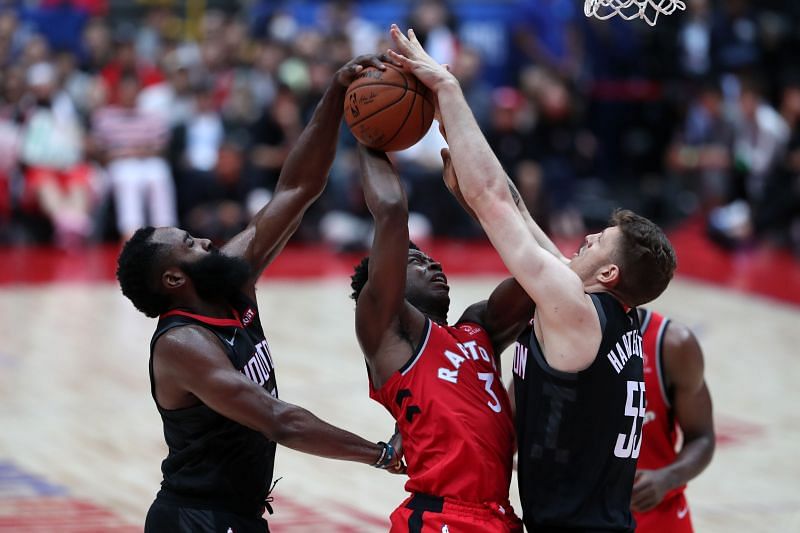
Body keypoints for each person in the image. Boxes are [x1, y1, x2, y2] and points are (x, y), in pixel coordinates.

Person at [388, 25, 677, 532]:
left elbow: (496, 199)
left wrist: (448, 90)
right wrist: (482, 203)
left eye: (598, 241)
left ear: (609, 273)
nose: (585, 239)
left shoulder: (575, 309)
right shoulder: (606, 316)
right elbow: (515, 209)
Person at [115, 55, 403, 533]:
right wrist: (380, 454)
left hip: (236, 515)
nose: (204, 240)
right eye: (189, 244)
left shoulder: (231, 279)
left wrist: (335, 93)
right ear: (172, 280)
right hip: (195, 519)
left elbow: (298, 186)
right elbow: (279, 421)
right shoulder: (183, 344)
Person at [350, 144, 528, 532]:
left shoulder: (478, 326)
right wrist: (367, 137)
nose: (432, 263)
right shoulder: (387, 336)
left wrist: (479, 204)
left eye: (430, 259)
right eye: (415, 262)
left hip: (499, 516)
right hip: (439, 517)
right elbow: (393, 214)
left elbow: (536, 274)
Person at [632, 309, 715, 532]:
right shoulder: (552, 327)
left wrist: (667, 478)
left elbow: (702, 437)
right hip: (576, 508)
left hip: (652, 511)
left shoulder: (672, 343)